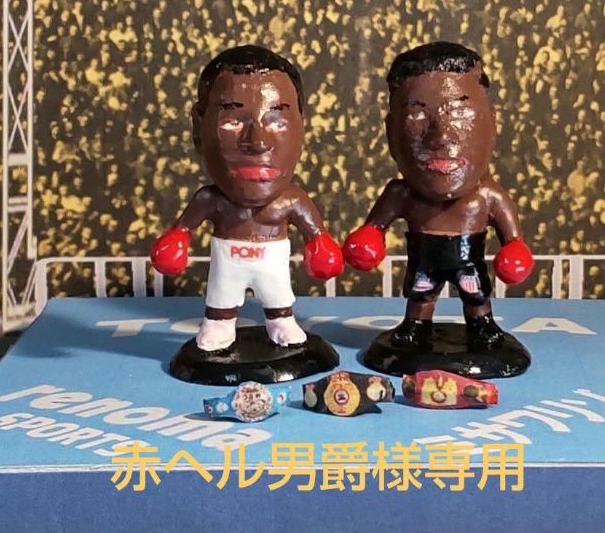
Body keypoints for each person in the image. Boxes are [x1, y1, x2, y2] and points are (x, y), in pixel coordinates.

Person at [343, 41, 534, 355]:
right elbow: (373, 229)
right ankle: (416, 326)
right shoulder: (402, 194)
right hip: (425, 259)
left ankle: (482, 324)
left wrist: (515, 249)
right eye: (417, 115)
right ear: (391, 133)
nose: (441, 136)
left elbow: (513, 239)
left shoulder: (487, 195)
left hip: (468, 259)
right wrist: (368, 239)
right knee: (421, 293)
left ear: (492, 124)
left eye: (459, 112)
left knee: (475, 294)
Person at [149, 45, 343, 352]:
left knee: (278, 296)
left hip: (272, 263)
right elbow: (182, 230)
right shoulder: (212, 200)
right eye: (233, 121)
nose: (257, 142)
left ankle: (281, 320)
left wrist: (320, 245)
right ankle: (219, 324)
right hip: (228, 262)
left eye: (277, 121)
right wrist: (176, 241)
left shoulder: (290, 200)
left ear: (302, 128)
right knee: (221, 299)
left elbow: (316, 234)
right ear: (198, 129)